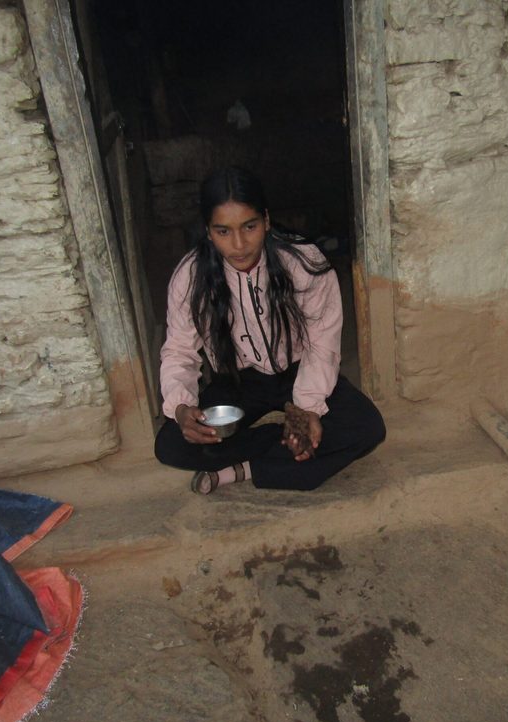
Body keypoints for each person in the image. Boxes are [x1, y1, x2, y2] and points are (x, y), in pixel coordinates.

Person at [154, 166, 386, 494]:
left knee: (368, 427)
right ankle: (281, 443)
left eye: (249, 226)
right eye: (223, 231)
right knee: (171, 445)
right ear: (208, 231)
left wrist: (308, 408)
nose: (239, 244)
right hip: (238, 383)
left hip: (298, 371)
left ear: (265, 220)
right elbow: (179, 350)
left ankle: (245, 468)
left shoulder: (303, 263)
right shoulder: (190, 277)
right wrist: (181, 406)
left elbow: (322, 343)